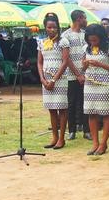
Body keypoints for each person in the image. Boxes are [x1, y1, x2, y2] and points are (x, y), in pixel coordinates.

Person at [81, 24, 109, 156]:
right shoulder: (86, 48)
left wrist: (100, 64)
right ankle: (95, 143)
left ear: (101, 37)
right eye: (90, 40)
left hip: (105, 85)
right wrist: (85, 66)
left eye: (95, 40)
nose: (92, 42)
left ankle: (103, 143)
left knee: (106, 114)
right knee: (91, 113)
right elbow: (83, 68)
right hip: (90, 85)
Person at [37, 13, 70, 148]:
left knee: (61, 109)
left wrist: (54, 79)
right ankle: (54, 137)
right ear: (45, 27)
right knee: (51, 109)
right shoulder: (41, 42)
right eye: (49, 27)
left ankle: (61, 138)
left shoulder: (63, 41)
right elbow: (39, 62)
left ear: (58, 27)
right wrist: (42, 79)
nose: (52, 30)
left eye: (54, 27)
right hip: (46, 80)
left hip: (60, 79)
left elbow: (65, 61)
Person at [61, 10, 88, 140]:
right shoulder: (65, 35)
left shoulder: (85, 34)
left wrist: (84, 72)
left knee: (85, 102)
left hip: (86, 74)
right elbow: (67, 59)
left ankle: (86, 130)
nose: (86, 21)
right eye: (85, 18)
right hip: (72, 76)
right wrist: (78, 74)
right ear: (79, 19)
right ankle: (71, 130)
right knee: (71, 103)